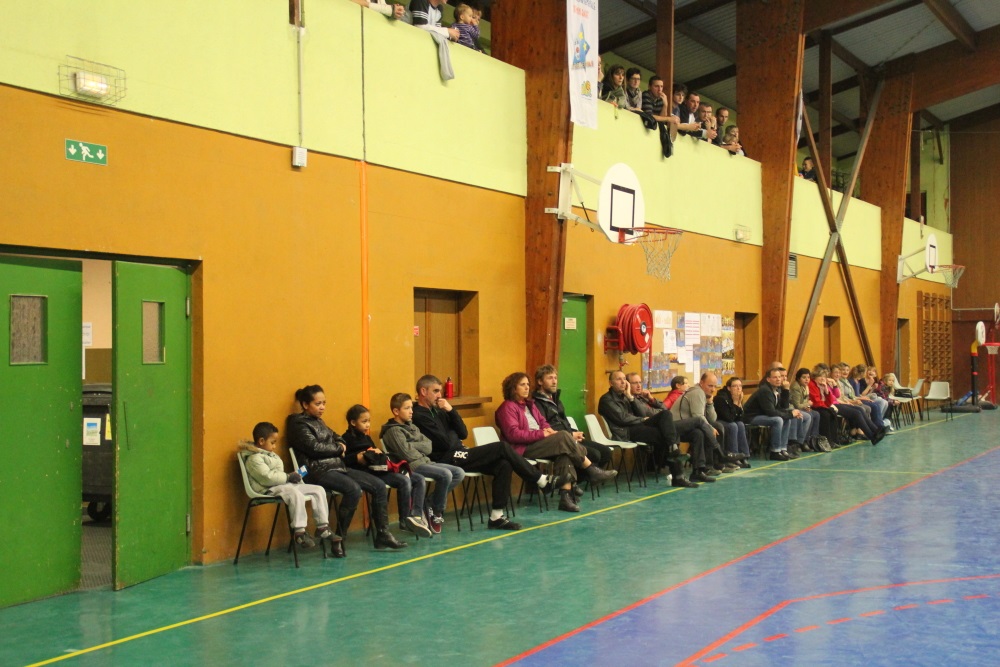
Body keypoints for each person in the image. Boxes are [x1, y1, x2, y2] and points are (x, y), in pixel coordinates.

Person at [412, 374, 549, 530]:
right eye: (435, 391)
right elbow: (443, 443)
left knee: (503, 464)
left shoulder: (440, 410)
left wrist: (451, 411)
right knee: (502, 447)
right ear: (423, 391)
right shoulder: (418, 415)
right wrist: (451, 434)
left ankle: (497, 516)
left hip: (459, 453)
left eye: (440, 391)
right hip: (445, 458)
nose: (439, 395)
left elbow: (463, 433)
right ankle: (539, 478)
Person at [286, 385, 407, 550]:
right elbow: (314, 448)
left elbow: (337, 437)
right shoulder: (297, 424)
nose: (322, 407)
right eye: (318, 404)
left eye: (324, 403)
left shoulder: (319, 422)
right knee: (353, 489)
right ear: (306, 405)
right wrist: (338, 448)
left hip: (337, 467)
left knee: (378, 485)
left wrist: (340, 444)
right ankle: (339, 539)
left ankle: (383, 534)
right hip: (315, 470)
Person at [495, 373, 617, 512]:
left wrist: (549, 431)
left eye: (528, 384)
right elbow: (513, 435)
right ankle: (590, 469)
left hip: (540, 442)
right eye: (522, 385)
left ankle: (565, 498)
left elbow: (543, 423)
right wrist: (542, 434)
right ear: (513, 388)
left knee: (564, 453)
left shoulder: (530, 405)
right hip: (522, 448)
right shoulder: (507, 407)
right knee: (564, 436)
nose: (527, 387)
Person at [240, 422, 344, 557]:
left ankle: (322, 527)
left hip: (282, 485)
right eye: (272, 442)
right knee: (294, 493)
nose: (275, 446)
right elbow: (267, 478)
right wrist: (288, 477)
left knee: (318, 490)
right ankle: (299, 532)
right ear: (261, 441)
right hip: (268, 489)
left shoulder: (271, 455)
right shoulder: (254, 459)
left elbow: (278, 475)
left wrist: (293, 476)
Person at [342, 404, 432, 539]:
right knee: (396, 482)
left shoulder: (366, 437)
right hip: (364, 473)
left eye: (369, 421)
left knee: (412, 479)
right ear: (353, 422)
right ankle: (400, 522)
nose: (368, 425)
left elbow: (376, 453)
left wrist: (377, 452)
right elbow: (343, 461)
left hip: (379, 469)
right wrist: (357, 457)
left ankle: (411, 518)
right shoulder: (346, 438)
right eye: (364, 421)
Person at [379, 393, 465, 534]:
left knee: (458, 472)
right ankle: (437, 511)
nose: (411, 411)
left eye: (411, 408)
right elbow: (408, 455)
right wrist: (417, 446)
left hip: (426, 461)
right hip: (412, 466)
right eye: (407, 408)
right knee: (445, 474)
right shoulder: (393, 431)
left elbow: (429, 446)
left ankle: (430, 502)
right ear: (396, 411)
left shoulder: (412, 426)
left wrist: (412, 444)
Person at [598, 370, 700, 487]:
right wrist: (642, 420)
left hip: (638, 426)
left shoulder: (626, 396)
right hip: (626, 432)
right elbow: (622, 418)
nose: (623, 382)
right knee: (668, 433)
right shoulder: (606, 400)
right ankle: (677, 473)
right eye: (618, 379)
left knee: (665, 415)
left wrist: (630, 397)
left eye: (624, 379)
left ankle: (674, 452)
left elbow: (641, 412)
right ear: (611, 383)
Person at [532, 365, 613, 469]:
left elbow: (564, 421)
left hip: (569, 437)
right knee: (594, 455)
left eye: (555, 378)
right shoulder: (536, 402)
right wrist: (570, 435)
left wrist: (576, 433)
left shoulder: (556, 400)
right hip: (558, 441)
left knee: (606, 452)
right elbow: (546, 427)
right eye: (550, 378)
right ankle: (584, 476)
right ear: (540, 381)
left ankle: (586, 476)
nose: (554, 382)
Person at [671, 372, 740, 473]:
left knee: (716, 426)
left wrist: (710, 403)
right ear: (701, 383)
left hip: (690, 426)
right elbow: (698, 417)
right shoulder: (697, 392)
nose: (713, 389)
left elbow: (712, 419)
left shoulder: (704, 394)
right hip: (677, 427)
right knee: (704, 431)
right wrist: (710, 428)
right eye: (710, 386)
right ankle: (711, 463)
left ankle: (717, 464)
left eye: (715, 386)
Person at [744, 367, 801, 460]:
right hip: (751, 417)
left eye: (779, 377)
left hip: (762, 415)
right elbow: (771, 412)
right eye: (775, 377)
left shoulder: (776, 390)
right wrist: (790, 414)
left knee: (787, 419)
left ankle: (783, 449)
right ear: (768, 379)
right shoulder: (765, 390)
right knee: (778, 420)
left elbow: (782, 407)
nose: (778, 379)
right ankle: (775, 451)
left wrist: (786, 391)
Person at [828, 365, 884, 444]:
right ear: (830, 373)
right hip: (834, 405)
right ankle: (871, 436)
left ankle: (876, 430)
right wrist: (849, 402)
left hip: (841, 402)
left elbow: (838, 395)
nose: (838, 374)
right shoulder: (829, 383)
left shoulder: (837, 383)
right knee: (857, 412)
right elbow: (833, 398)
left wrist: (835, 385)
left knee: (860, 409)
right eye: (835, 373)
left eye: (839, 373)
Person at [714, 376, 751, 466]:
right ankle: (734, 456)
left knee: (740, 424)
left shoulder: (737, 397)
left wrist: (739, 404)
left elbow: (740, 418)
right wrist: (735, 403)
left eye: (740, 386)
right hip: (719, 421)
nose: (738, 388)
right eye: (735, 386)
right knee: (733, 426)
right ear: (729, 388)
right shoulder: (721, 398)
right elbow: (729, 418)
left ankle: (744, 455)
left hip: (729, 420)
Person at [807, 367, 842, 448]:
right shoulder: (811, 384)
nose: (822, 378)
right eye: (820, 376)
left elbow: (829, 402)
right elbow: (816, 401)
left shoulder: (822, 385)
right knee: (826, 414)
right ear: (815, 377)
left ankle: (833, 440)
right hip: (814, 406)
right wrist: (826, 407)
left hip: (821, 406)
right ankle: (827, 440)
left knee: (832, 413)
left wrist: (826, 390)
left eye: (824, 377)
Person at [788, 368, 821, 452]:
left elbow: (805, 401)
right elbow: (797, 405)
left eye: (808, 377)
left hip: (802, 407)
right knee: (810, 416)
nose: (807, 379)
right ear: (798, 378)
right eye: (804, 377)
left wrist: (807, 406)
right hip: (794, 408)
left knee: (816, 414)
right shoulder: (795, 387)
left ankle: (812, 439)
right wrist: (808, 404)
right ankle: (802, 441)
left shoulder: (805, 386)